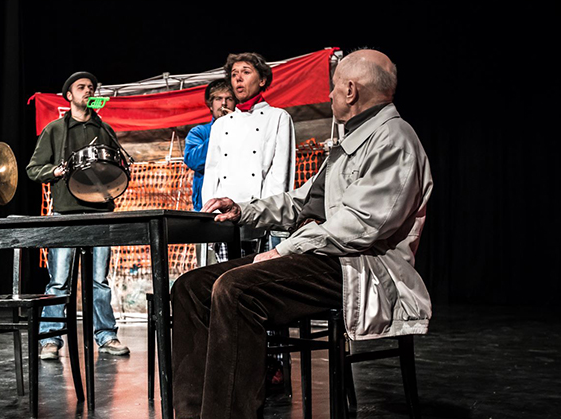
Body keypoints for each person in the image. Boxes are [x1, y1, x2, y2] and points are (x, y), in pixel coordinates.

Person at [171, 49, 433, 418]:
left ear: (351, 91)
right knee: (191, 287)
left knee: (236, 289)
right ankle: (194, 413)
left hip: (359, 266)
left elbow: (362, 226)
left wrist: (286, 250)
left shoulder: (393, 138)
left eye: (334, 86)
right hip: (319, 256)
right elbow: (300, 201)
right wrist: (244, 210)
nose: (329, 95)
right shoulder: (351, 141)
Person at [26, 71, 129, 360]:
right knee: (58, 281)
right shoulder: (55, 130)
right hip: (66, 213)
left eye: (91, 87)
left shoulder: (105, 129)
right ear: (69, 96)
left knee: (99, 281)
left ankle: (106, 336)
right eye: (81, 87)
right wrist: (55, 171)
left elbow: (116, 168)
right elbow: (33, 169)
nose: (88, 91)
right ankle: (50, 339)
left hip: (99, 213)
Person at [201, 52, 297, 260]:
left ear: (262, 80)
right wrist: (210, 214)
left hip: (258, 220)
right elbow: (212, 172)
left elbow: (280, 173)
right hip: (223, 220)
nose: (238, 78)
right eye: (234, 74)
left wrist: (267, 216)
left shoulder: (278, 117)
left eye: (246, 72)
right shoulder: (221, 125)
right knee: (222, 280)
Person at [184, 79, 235, 266]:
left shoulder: (243, 130)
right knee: (208, 273)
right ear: (210, 104)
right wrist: (219, 129)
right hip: (206, 214)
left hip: (237, 212)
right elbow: (194, 160)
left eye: (229, 98)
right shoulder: (200, 132)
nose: (224, 103)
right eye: (218, 99)